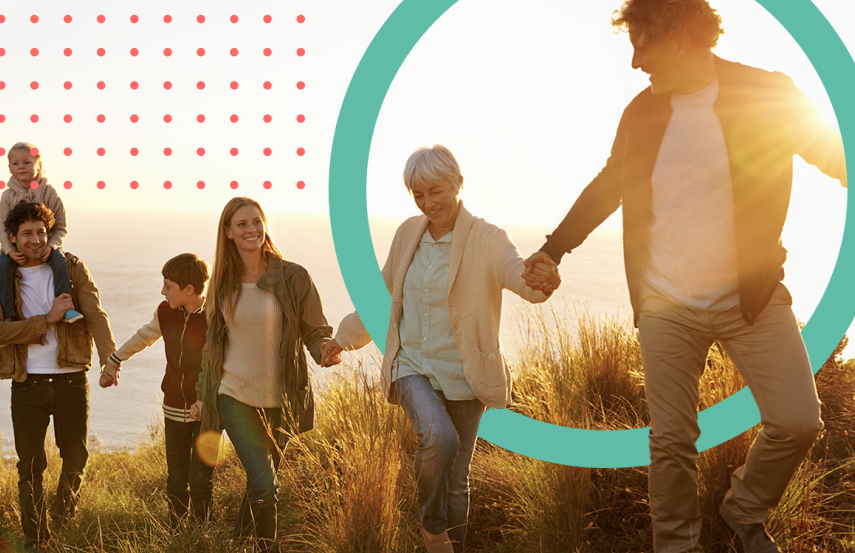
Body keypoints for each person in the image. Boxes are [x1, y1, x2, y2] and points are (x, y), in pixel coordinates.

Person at [522, 1, 847, 551]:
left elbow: (836, 153)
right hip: (666, 303)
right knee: (672, 440)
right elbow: (610, 185)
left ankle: (743, 512)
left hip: (753, 294)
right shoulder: (641, 113)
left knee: (797, 422)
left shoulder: (765, 94)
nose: (633, 62)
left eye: (640, 43)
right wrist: (554, 250)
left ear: (677, 36)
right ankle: (676, 546)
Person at [321, 145, 558, 553]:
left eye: (435, 191)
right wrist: (342, 339)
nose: (427, 203)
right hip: (411, 365)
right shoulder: (407, 234)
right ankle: (432, 530)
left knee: (456, 480)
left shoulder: (487, 238)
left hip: (466, 375)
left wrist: (540, 283)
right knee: (440, 439)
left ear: (457, 184)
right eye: (418, 195)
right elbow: (381, 295)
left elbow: (518, 275)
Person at [190, 196, 341, 552]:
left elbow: (314, 329)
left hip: (281, 400)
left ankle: (239, 543)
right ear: (227, 232)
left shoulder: (293, 276)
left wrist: (324, 349)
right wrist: (201, 393)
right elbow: (212, 347)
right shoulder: (222, 285)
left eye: (256, 221)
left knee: (260, 485)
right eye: (241, 224)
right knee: (266, 484)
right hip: (233, 395)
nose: (251, 229)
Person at [0, 202, 116, 552]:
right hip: (28, 383)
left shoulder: (71, 268)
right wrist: (49, 318)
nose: (36, 239)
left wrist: (110, 359)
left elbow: (96, 315)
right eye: (27, 233)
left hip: (72, 379)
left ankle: (62, 520)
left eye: (41, 231)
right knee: (30, 466)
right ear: (13, 237)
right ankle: (36, 539)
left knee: (76, 458)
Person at [99, 253, 216, 522]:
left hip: (207, 411)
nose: (162, 291)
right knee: (176, 476)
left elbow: (221, 363)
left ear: (189, 290)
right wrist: (115, 360)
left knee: (200, 478)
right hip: (174, 405)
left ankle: (202, 534)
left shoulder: (215, 316)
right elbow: (145, 336)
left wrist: (205, 400)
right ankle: (176, 532)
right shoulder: (166, 311)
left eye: (168, 286)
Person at [0, 142, 82, 324]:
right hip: (14, 247)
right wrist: (9, 250)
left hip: (46, 246)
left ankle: (66, 307)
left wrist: (51, 246)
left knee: (60, 262)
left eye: (26, 162)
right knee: (2, 267)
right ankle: (9, 314)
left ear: (38, 166)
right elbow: (3, 228)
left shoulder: (50, 193)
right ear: (10, 167)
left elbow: (61, 227)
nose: (21, 167)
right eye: (15, 163)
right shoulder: (7, 196)